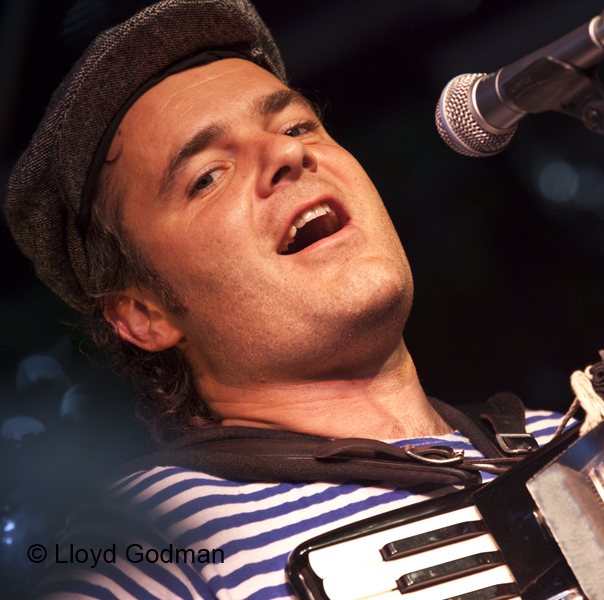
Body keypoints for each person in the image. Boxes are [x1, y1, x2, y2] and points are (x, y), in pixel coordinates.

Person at [5, 0, 563, 598]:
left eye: (297, 127)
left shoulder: (582, 443)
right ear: (143, 315)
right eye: (208, 175)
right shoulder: (143, 549)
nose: (288, 155)